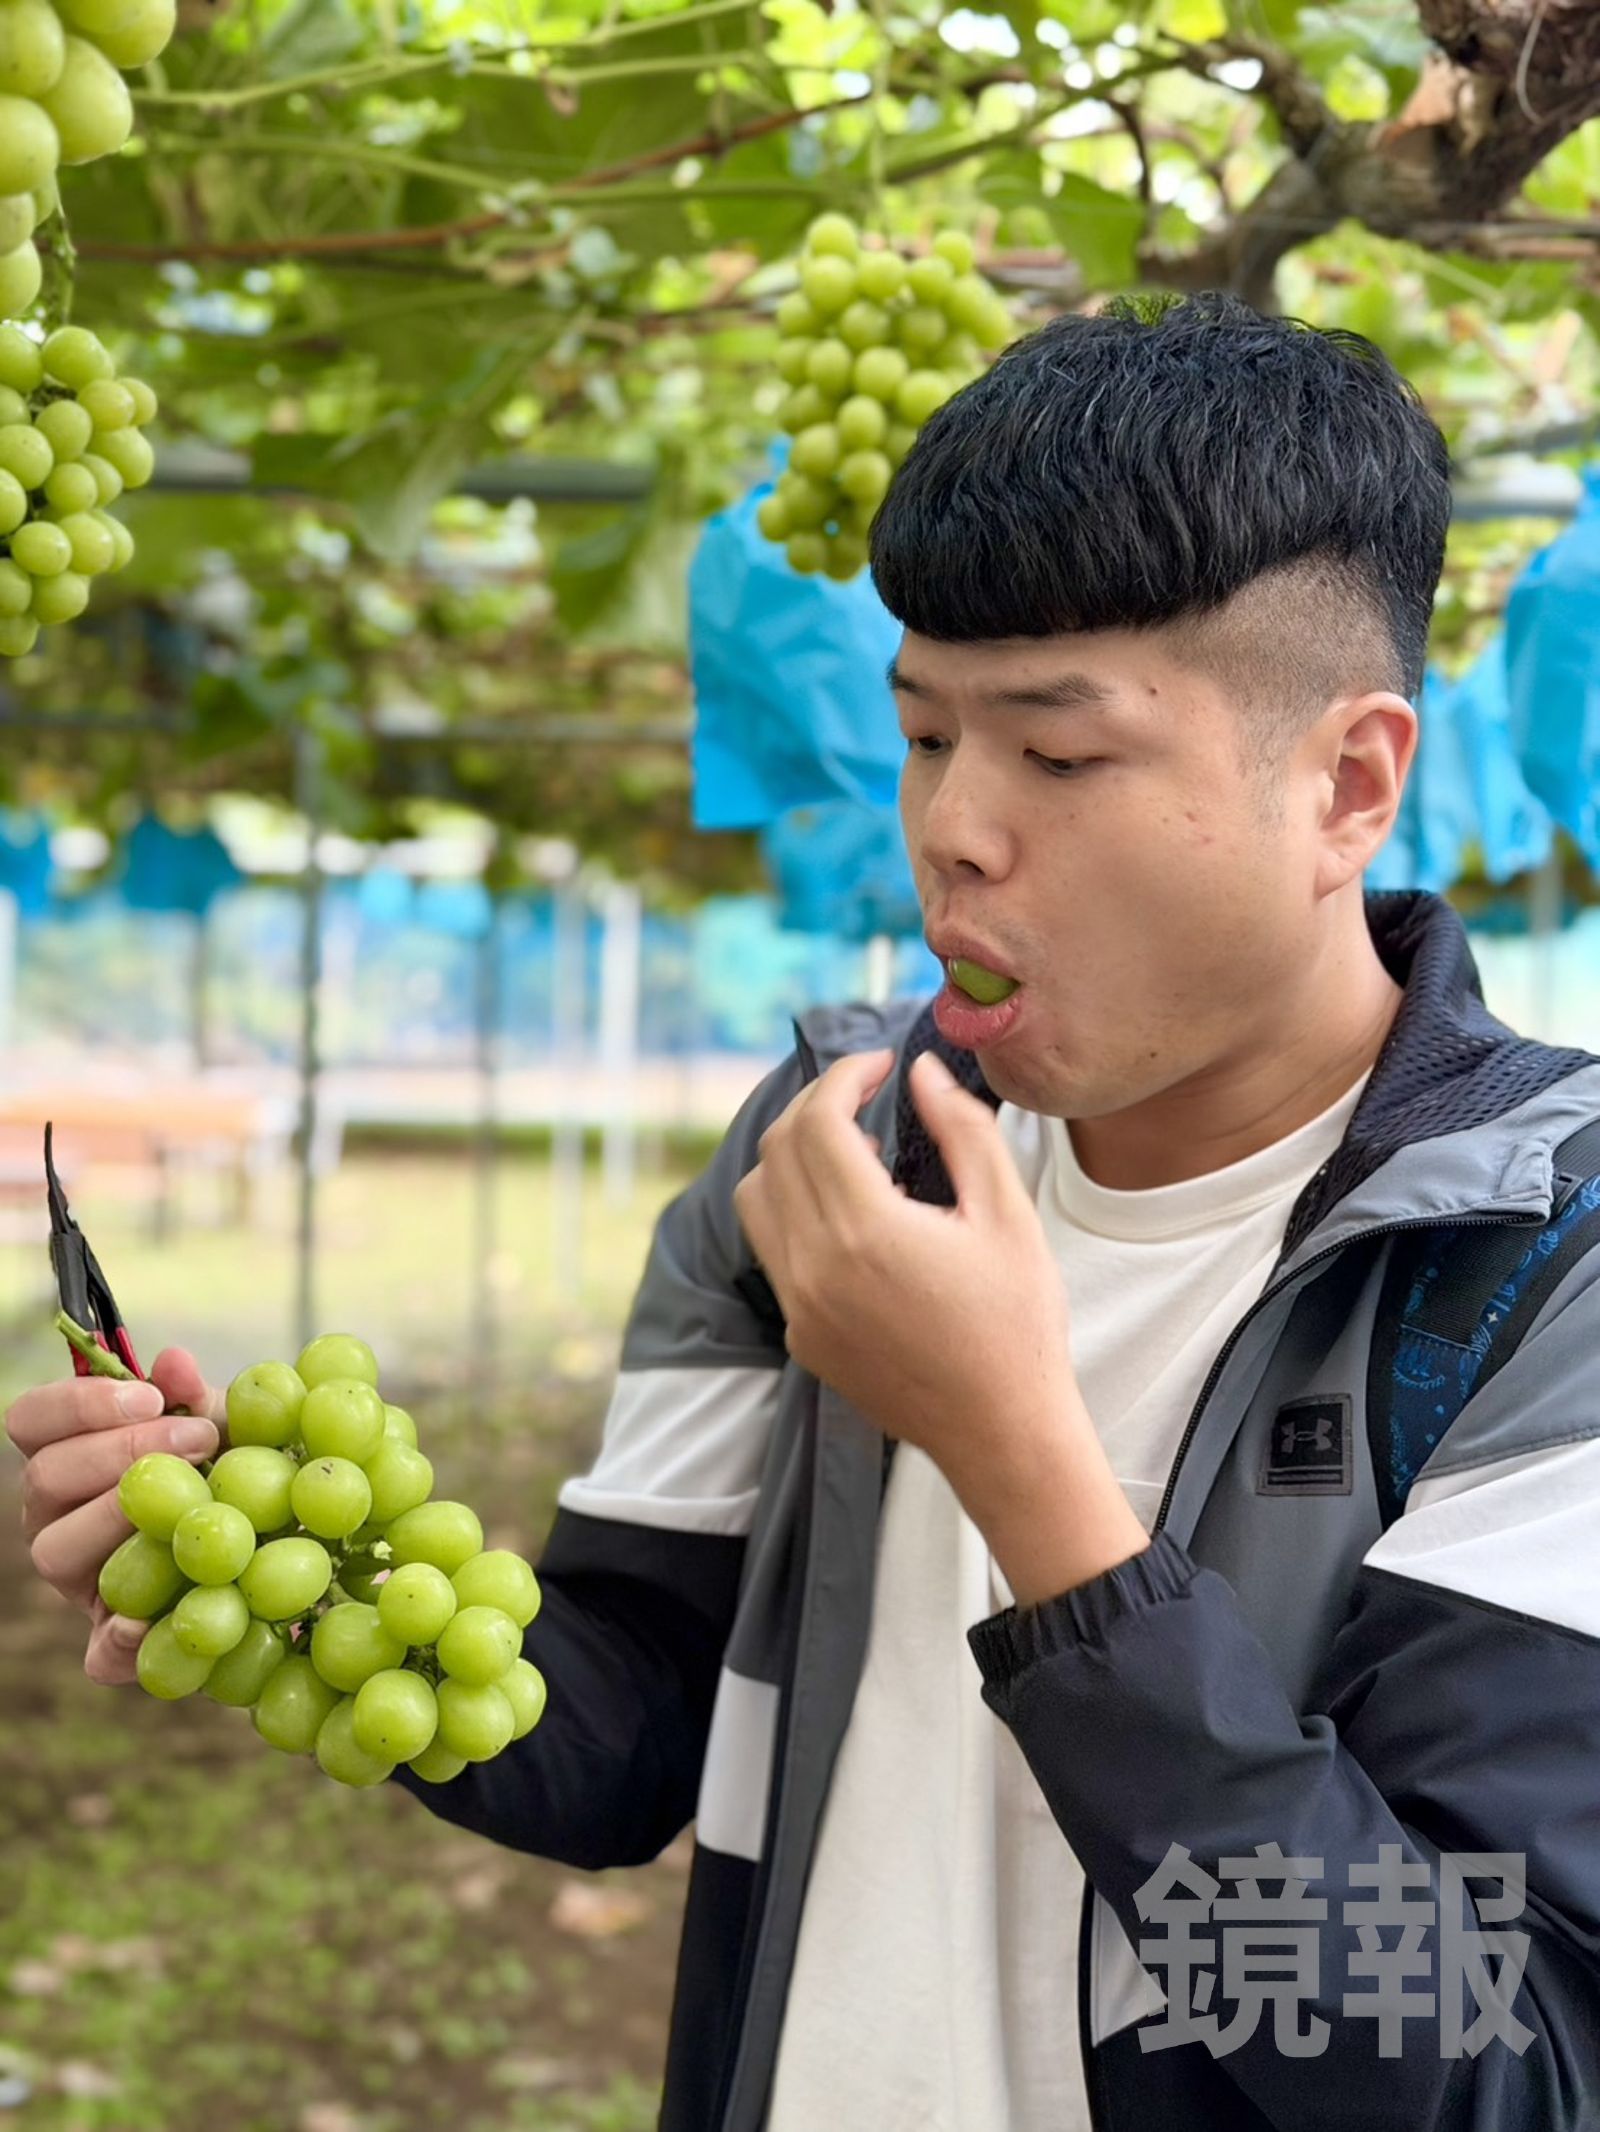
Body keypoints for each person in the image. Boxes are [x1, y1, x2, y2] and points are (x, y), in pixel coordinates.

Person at [11, 290, 1600, 2132]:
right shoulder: (830, 1148)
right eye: (927, 737)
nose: (954, 829)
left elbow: (1485, 2062)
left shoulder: (1535, 1261)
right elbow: (622, 1731)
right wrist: (310, 1588)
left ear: (1347, 782)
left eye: (1058, 755)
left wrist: (1031, 1481)